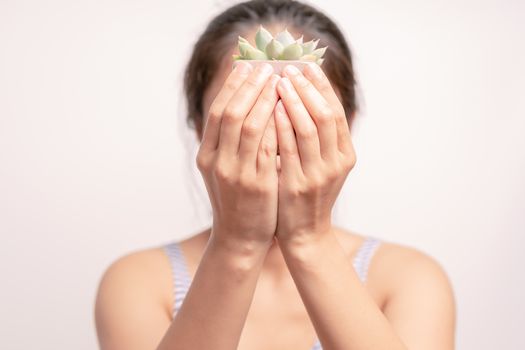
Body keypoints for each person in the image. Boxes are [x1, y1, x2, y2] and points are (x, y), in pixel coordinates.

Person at [94, 1, 456, 349]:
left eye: (300, 110)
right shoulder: (138, 282)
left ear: (346, 124)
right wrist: (237, 243)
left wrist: (308, 238)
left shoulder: (409, 280)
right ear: (201, 127)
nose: (268, 134)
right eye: (244, 111)